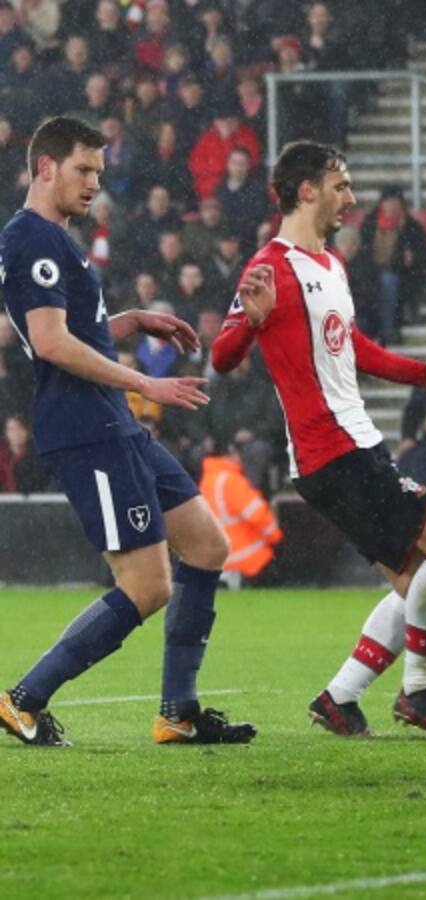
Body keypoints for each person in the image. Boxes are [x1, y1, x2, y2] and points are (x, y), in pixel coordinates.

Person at [0, 117, 255, 747]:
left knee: (206, 546)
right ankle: (22, 698)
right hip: (87, 431)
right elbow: (52, 343)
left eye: (99, 173)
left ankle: (177, 712)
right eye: (84, 171)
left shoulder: (58, 238)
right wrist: (145, 384)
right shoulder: (32, 239)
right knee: (146, 585)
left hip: (111, 422)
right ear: (45, 168)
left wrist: (132, 320)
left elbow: (75, 331)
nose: (94, 184)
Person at [211, 141, 426, 737]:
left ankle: (341, 699)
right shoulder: (270, 267)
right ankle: (418, 690)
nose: (352, 198)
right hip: (331, 455)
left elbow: (354, 347)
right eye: (341, 185)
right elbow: (222, 354)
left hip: (357, 446)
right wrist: (254, 319)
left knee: (422, 576)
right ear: (307, 190)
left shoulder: (332, 265)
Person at [198, 441, 281, 584]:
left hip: (219, 560)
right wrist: (275, 537)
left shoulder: (206, 482)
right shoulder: (232, 481)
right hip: (249, 559)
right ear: (231, 455)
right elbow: (258, 515)